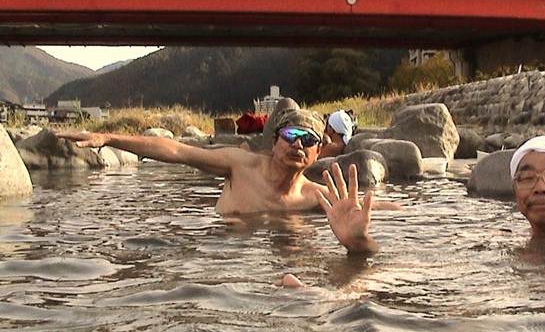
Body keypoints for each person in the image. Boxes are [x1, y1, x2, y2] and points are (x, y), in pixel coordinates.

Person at [56, 108, 378, 255]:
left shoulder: (318, 198)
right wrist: (108, 137)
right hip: (218, 252)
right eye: (291, 135)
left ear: (318, 150)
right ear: (275, 141)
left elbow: (371, 216)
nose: (297, 144)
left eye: (307, 139)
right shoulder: (241, 165)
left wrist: (359, 242)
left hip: (274, 266)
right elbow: (177, 150)